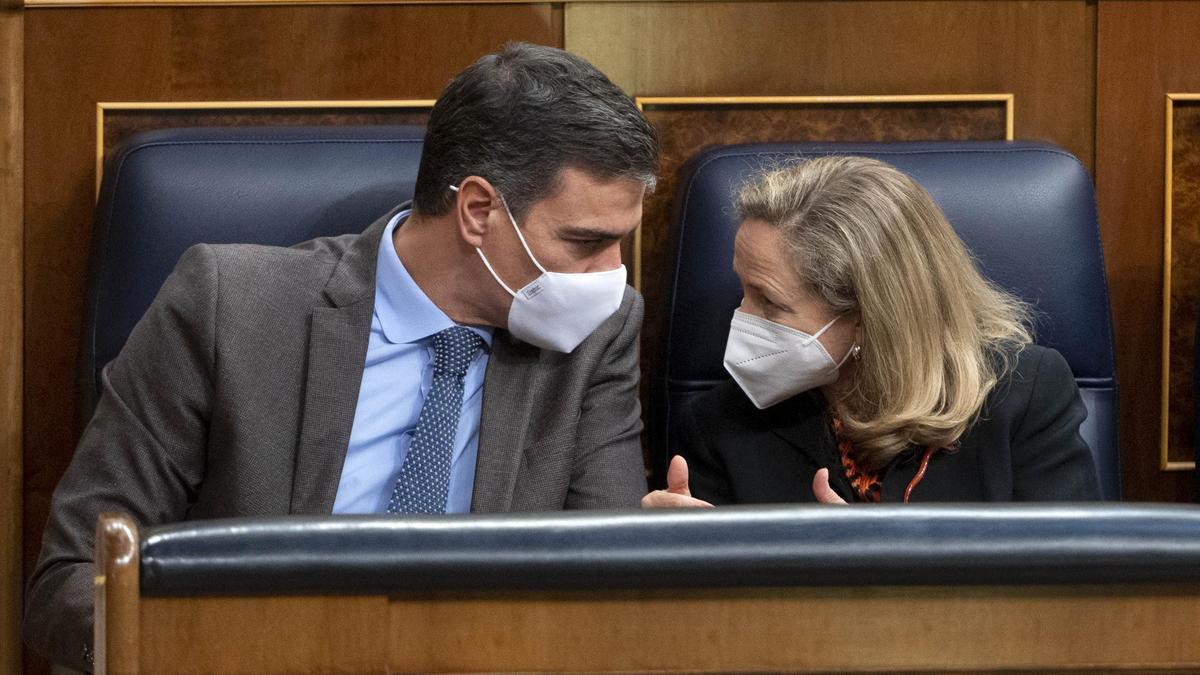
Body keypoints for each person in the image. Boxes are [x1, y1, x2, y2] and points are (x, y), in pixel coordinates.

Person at [27, 42, 658, 671]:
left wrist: (661, 560)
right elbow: (73, 582)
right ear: (477, 211)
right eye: (585, 242)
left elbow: (596, 594)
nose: (611, 275)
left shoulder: (597, 336)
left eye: (619, 244)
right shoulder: (228, 309)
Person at [643, 156, 1101, 509]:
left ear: (868, 314)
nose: (742, 317)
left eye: (770, 303)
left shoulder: (1024, 395)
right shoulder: (719, 425)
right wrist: (673, 562)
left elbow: (1075, 584)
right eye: (742, 291)